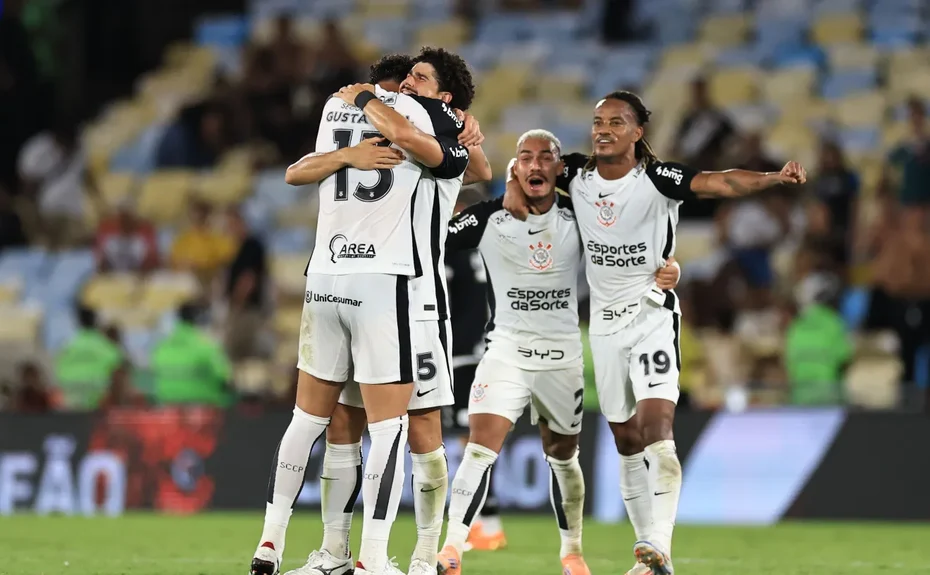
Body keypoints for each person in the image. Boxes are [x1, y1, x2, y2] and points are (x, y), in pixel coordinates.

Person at [504, 91, 806, 575]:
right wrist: (511, 186)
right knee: (625, 440)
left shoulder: (658, 179)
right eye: (599, 121)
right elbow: (527, 165)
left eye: (617, 122)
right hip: (602, 325)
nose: (604, 129)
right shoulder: (575, 173)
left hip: (651, 315)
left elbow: (720, 183)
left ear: (638, 131)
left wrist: (773, 178)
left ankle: (657, 545)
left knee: (657, 433)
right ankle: (649, 561)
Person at [251, 48, 483, 575]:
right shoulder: (406, 120)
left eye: (418, 80)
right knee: (358, 426)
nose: (405, 88)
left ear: (444, 95)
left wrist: (466, 127)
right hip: (390, 288)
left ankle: (425, 557)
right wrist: (364, 122)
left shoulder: (414, 120)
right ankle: (349, 555)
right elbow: (304, 169)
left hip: (408, 297)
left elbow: (479, 166)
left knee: (421, 430)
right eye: (400, 82)